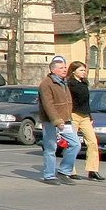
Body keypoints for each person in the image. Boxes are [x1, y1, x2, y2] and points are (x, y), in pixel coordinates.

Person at [38, 55, 82, 185]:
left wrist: (69, 118)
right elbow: (48, 105)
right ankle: (49, 175)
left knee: (75, 144)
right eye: (61, 68)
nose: (64, 70)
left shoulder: (64, 82)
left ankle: (64, 171)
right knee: (50, 148)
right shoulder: (46, 84)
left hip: (66, 120)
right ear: (53, 70)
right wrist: (57, 121)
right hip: (51, 121)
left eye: (65, 67)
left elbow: (67, 102)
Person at [67, 60, 104, 181]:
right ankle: (70, 170)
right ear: (73, 71)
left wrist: (90, 115)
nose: (84, 72)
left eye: (84, 70)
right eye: (81, 70)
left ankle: (92, 170)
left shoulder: (84, 83)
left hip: (85, 116)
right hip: (73, 115)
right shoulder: (69, 84)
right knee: (73, 143)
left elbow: (86, 102)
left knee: (93, 142)